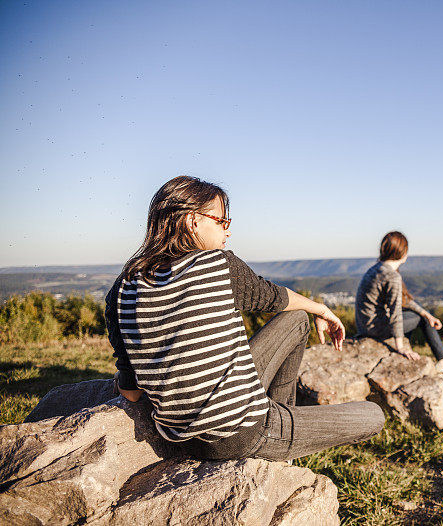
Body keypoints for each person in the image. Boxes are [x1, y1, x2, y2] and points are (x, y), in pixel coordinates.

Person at [105, 175, 384, 461]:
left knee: (297, 319)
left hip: (182, 441)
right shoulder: (217, 264)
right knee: (374, 415)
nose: (227, 232)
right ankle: (278, 439)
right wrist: (325, 311)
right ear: (193, 221)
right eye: (221, 221)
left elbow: (131, 393)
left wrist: (317, 311)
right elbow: (273, 296)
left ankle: (281, 423)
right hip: (244, 433)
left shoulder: (123, 287)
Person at [355, 231, 443, 380]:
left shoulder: (376, 268)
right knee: (421, 320)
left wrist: (428, 314)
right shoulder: (392, 276)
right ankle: (442, 362)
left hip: (364, 326)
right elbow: (395, 313)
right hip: (375, 329)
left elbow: (404, 301)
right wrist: (400, 347)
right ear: (402, 252)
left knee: (422, 315)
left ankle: (439, 360)